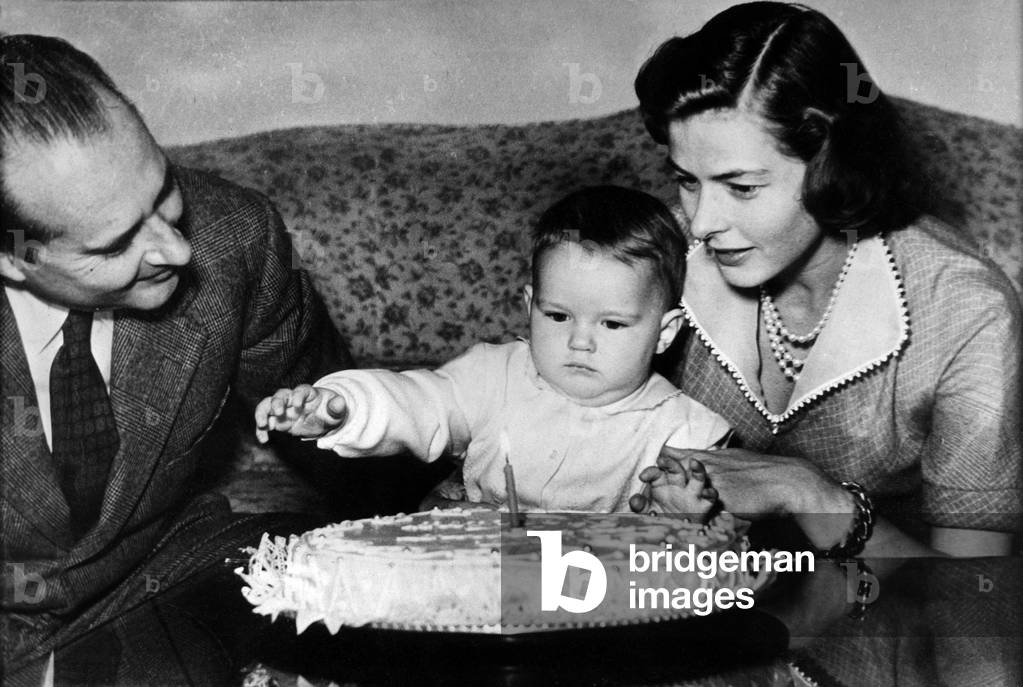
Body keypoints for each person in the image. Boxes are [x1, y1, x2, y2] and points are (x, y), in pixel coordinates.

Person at [0, 34, 351, 676]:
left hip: (165, 569)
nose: (178, 251)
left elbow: (339, 421)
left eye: (163, 192)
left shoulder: (232, 236)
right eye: (115, 245)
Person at [630, 1, 1021, 558]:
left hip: (877, 627)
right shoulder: (658, 250)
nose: (701, 223)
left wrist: (806, 492)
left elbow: (974, 595)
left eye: (741, 187)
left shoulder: (966, 309)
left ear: (834, 162)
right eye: (687, 181)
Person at [256, 186, 731, 513]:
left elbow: (708, 549)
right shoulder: (494, 375)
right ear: (530, 306)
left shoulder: (685, 430)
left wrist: (690, 517)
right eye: (558, 316)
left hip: (596, 597)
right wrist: (343, 406)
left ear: (665, 332)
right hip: (475, 572)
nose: (579, 340)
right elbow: (419, 401)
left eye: (612, 323)